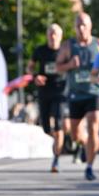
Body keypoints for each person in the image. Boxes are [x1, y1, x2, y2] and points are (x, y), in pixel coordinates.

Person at [56, 13, 99, 181]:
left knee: (93, 127)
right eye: (78, 25)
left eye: (84, 24)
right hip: (76, 94)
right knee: (75, 134)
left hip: (94, 92)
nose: (81, 28)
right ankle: (83, 145)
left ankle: (90, 166)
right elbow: (57, 67)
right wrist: (69, 65)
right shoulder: (68, 46)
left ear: (90, 26)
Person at [27, 23, 67, 173]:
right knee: (45, 128)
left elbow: (74, 66)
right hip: (44, 91)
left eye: (55, 33)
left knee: (57, 124)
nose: (53, 36)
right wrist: (35, 76)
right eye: (50, 33)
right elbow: (30, 66)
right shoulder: (40, 50)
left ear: (60, 36)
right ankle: (61, 139)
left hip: (60, 92)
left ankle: (56, 159)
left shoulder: (65, 51)